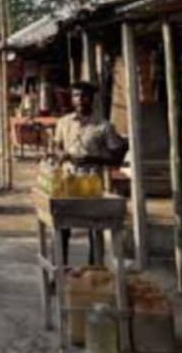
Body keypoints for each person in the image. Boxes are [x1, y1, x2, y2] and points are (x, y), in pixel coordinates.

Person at [53, 81, 128, 264]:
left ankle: (93, 270)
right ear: (72, 99)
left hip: (92, 183)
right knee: (62, 227)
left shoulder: (103, 126)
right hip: (68, 181)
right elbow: (56, 146)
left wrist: (93, 159)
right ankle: (61, 269)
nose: (80, 100)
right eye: (77, 96)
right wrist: (61, 154)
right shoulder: (63, 123)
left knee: (94, 229)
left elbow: (116, 157)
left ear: (92, 99)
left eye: (84, 96)